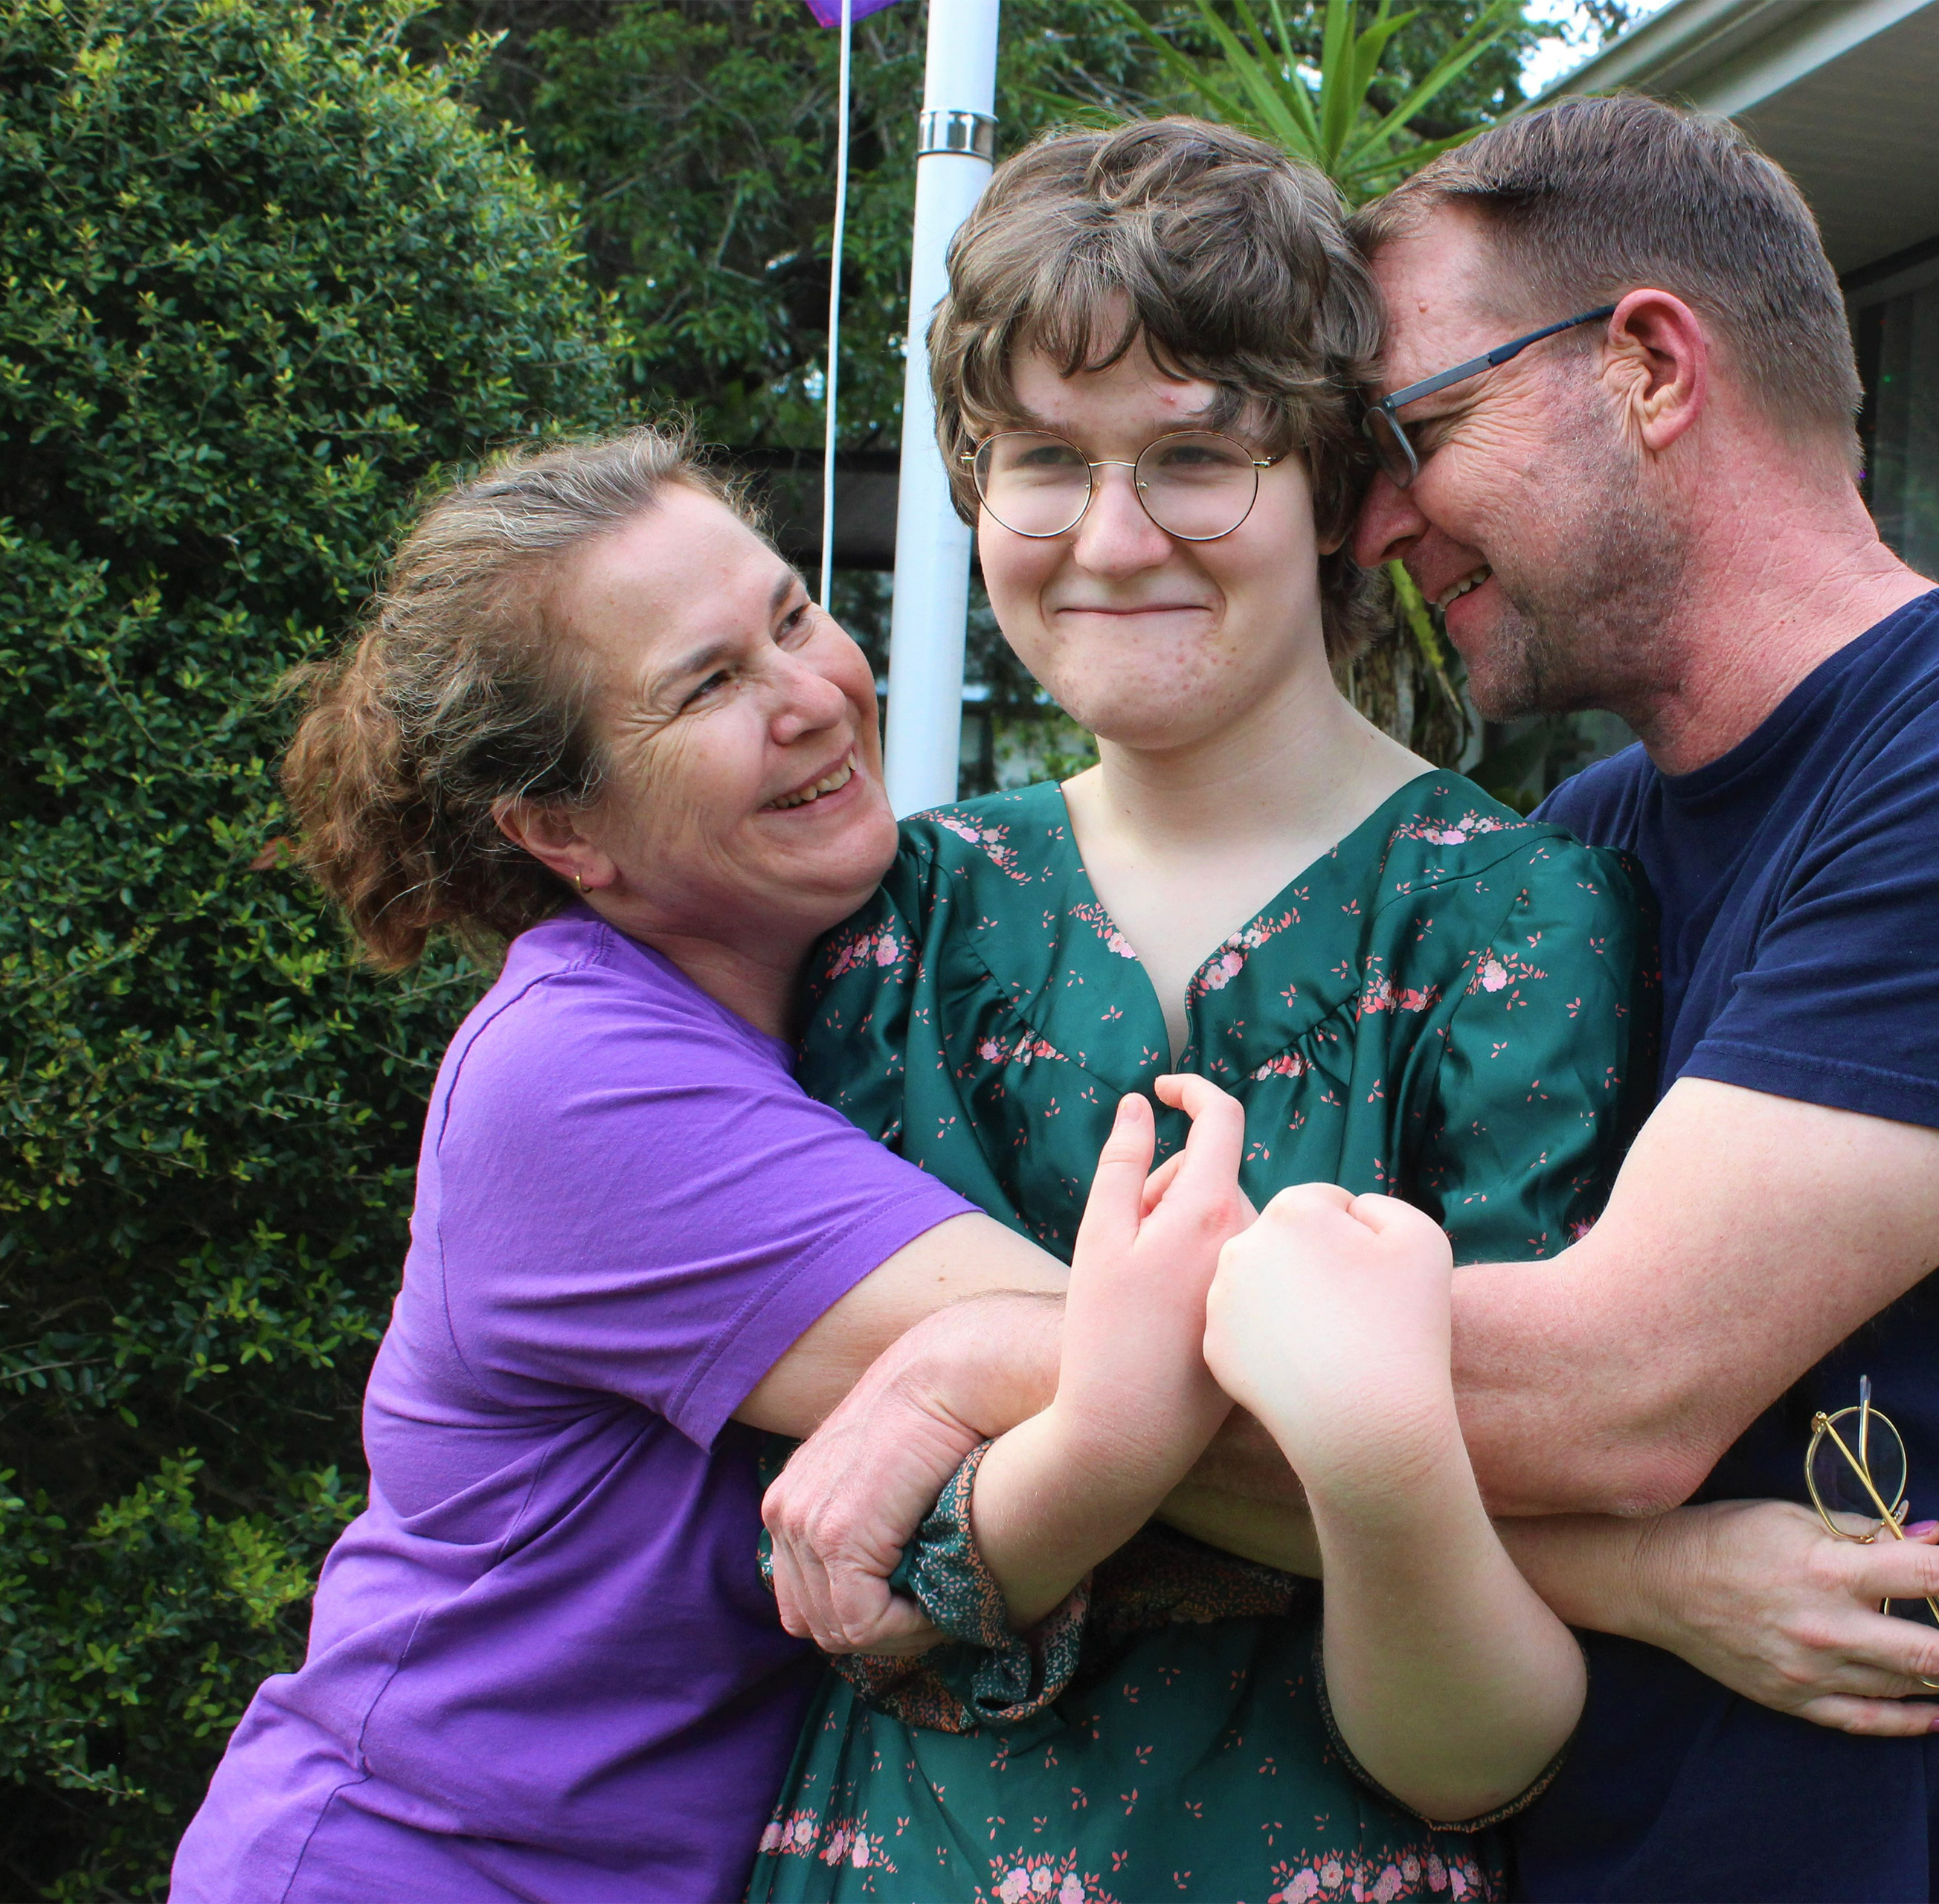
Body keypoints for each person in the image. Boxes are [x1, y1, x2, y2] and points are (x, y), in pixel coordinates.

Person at [769, 96, 1939, 1903]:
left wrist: (977, 1353)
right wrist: (1647, 1580)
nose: (1373, 519)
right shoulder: (1603, 841)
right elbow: (1426, 1458)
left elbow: (1610, 1392)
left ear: (1650, 371)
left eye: (1421, 430)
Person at [743, 118, 1830, 1904]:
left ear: (1334, 489)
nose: (1111, 536)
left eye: (1195, 454)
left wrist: (1181, 1428)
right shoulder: (884, 917)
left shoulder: (1519, 919)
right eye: (1040, 458)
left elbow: (1483, 1728)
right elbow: (840, 1559)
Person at [170, 428, 1079, 1902]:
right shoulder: (578, 1080)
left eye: (792, 617)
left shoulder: (856, 1002)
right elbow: (1111, 1364)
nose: (808, 699)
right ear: (561, 829)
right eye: (706, 684)